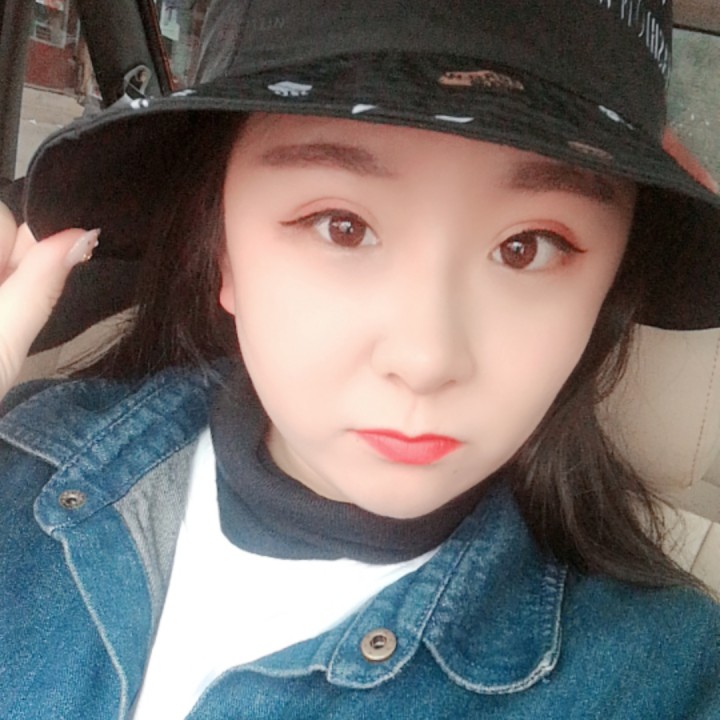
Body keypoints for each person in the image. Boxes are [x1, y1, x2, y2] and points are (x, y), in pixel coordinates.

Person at [1, 1, 719, 718]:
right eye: (341, 227)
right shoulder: (19, 460)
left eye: (526, 248)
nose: (426, 359)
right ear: (223, 250)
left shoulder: (661, 680)